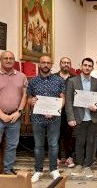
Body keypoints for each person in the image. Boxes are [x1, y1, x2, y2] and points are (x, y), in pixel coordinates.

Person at [27, 55, 65, 183]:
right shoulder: (33, 81)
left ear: (51, 65)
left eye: (48, 63)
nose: (46, 65)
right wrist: (30, 101)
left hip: (54, 118)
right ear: (39, 64)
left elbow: (62, 98)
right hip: (38, 118)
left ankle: (53, 169)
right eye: (43, 62)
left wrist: (55, 110)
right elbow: (29, 98)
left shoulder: (59, 80)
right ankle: (38, 170)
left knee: (53, 145)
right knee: (38, 145)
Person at [65, 58, 97, 178]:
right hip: (78, 117)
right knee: (79, 143)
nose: (87, 67)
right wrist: (70, 117)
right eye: (85, 65)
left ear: (92, 68)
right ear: (81, 66)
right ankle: (79, 164)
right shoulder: (72, 81)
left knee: (91, 143)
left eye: (89, 66)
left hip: (93, 118)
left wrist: (96, 107)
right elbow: (68, 100)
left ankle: (88, 166)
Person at [0, 51, 27, 175]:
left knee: (12, 145)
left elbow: (24, 96)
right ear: (1, 60)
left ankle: (8, 170)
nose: (8, 60)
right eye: (6, 58)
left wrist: (19, 112)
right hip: (0, 115)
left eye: (11, 58)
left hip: (15, 117)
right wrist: (1, 115)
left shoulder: (22, 76)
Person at [56, 57, 75, 168]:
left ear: (70, 65)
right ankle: (57, 158)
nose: (66, 64)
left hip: (70, 111)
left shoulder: (75, 78)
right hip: (55, 111)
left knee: (69, 136)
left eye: (68, 63)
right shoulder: (53, 77)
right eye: (64, 62)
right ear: (60, 64)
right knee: (56, 135)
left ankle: (69, 157)